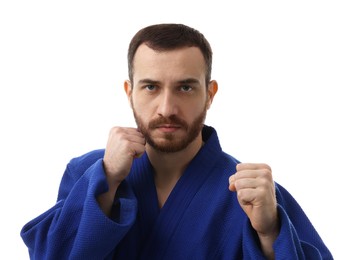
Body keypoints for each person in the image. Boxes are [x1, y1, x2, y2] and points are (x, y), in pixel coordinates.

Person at [20, 23, 333, 260]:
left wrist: (269, 233)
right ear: (130, 92)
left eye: (185, 88)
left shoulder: (254, 194)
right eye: (151, 87)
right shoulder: (90, 173)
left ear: (209, 94)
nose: (167, 108)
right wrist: (106, 183)